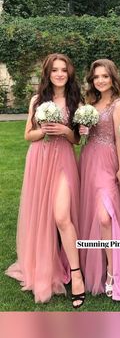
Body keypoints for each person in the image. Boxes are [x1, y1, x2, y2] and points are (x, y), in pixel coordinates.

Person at [6, 53, 85, 308]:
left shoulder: (76, 101)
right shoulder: (37, 100)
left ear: (69, 73)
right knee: (41, 215)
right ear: (48, 74)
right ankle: (43, 263)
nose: (60, 74)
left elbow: (77, 140)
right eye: (55, 70)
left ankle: (76, 274)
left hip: (63, 159)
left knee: (62, 216)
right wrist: (43, 131)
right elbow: (28, 135)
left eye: (64, 70)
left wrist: (65, 131)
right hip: (39, 159)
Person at [78, 58, 120, 300]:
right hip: (88, 158)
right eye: (96, 77)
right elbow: (84, 137)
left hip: (108, 161)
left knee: (105, 215)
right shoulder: (89, 103)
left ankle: (114, 271)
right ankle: (94, 265)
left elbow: (119, 139)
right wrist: (83, 131)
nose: (100, 80)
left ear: (113, 78)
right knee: (92, 214)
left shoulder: (118, 105)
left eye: (105, 76)